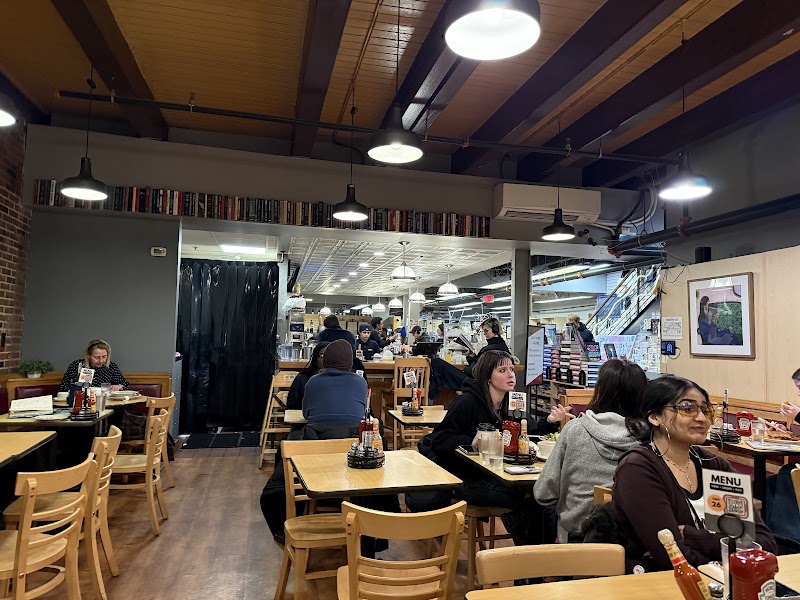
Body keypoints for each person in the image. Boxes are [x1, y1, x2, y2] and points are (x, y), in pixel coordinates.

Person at [407, 350, 571, 545]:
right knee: (528, 499)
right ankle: (535, 558)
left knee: (542, 498)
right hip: (464, 477)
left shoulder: (511, 403)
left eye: (511, 369)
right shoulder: (467, 402)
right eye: (502, 370)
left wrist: (550, 422)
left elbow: (529, 431)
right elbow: (440, 439)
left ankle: (539, 558)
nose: (510, 375)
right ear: (487, 377)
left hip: (500, 473)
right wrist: (472, 440)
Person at [613, 375, 776, 572]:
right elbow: (674, 558)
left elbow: (764, 545)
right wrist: (727, 552)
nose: (701, 418)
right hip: (661, 582)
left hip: (726, 581)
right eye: (687, 408)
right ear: (655, 417)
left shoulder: (714, 465)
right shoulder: (638, 469)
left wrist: (693, 537)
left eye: (705, 410)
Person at [534, 359, 648, 542]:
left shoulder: (575, 430)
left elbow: (544, 493)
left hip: (576, 539)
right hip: (632, 543)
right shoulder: (651, 439)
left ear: (599, 391)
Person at [302, 339, 368, 425]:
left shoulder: (312, 382)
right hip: (353, 432)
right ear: (351, 363)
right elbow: (362, 411)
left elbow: (306, 414)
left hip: (317, 432)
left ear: (324, 361)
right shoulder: (361, 383)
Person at [59, 339, 130, 392]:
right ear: (88, 355)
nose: (101, 360)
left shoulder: (111, 366)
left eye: (104, 357)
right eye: (96, 357)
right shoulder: (76, 365)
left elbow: (126, 385)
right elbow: (63, 388)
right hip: (81, 402)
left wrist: (119, 387)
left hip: (105, 402)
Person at [286, 342, 329, 410]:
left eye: (330, 356)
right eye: (322, 356)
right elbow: (291, 407)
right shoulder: (301, 380)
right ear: (315, 360)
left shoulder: (340, 381)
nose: (326, 360)